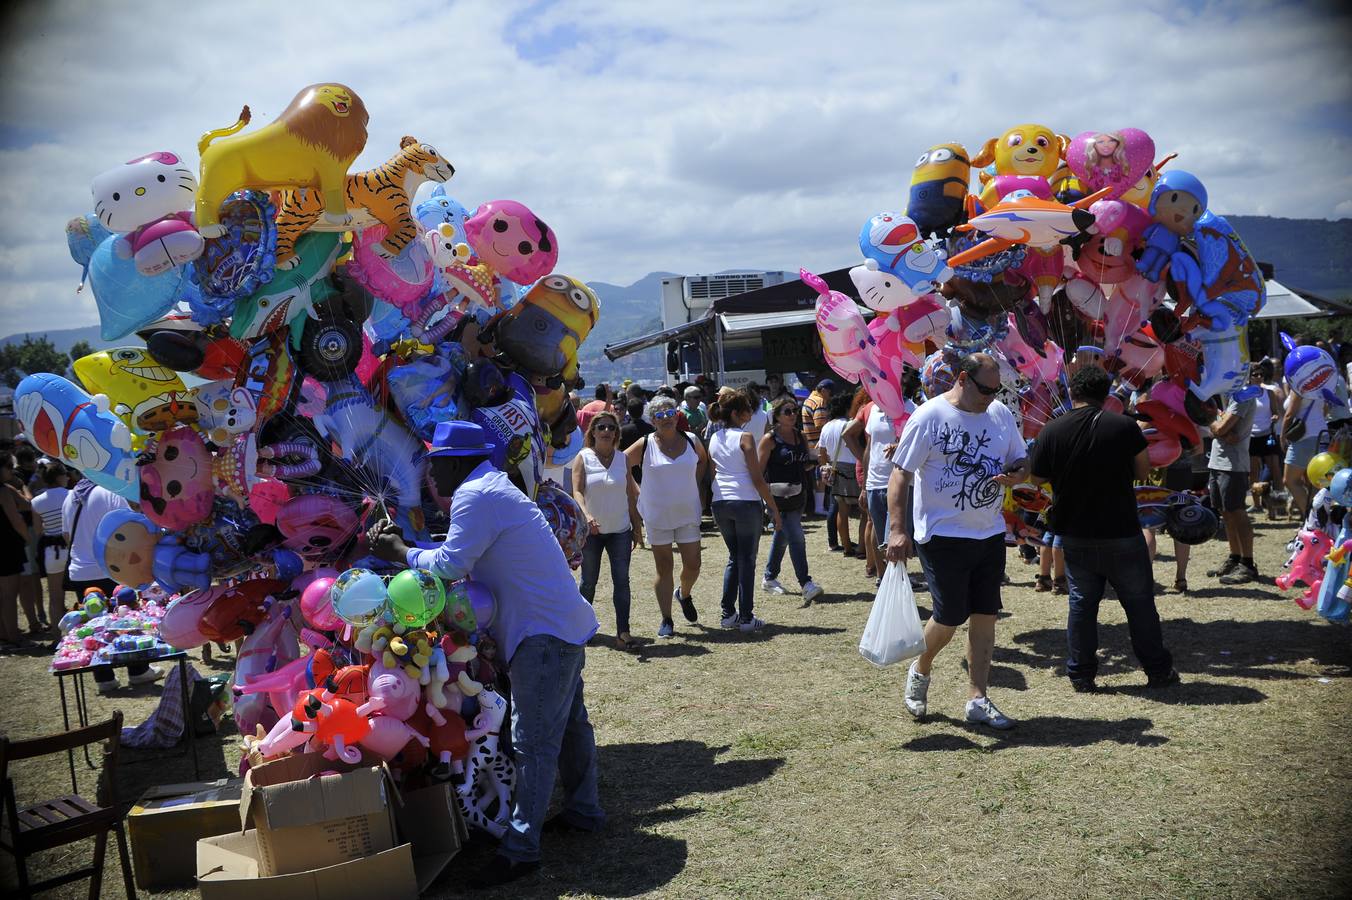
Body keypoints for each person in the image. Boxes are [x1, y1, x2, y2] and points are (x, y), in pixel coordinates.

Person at [368, 421, 604, 887]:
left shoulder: (475, 495)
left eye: (436, 464)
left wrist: (400, 552)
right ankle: (584, 810)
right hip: (558, 626)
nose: (432, 474)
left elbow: (452, 565)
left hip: (543, 636)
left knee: (533, 742)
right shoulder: (490, 487)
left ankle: (521, 850)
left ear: (456, 461)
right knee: (571, 725)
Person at [886, 353, 1026, 729]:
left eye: (997, 390)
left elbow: (1021, 460)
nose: (991, 397)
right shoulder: (929, 416)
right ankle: (920, 669)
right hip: (942, 534)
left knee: (985, 615)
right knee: (949, 616)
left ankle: (977, 699)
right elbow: (900, 475)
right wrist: (898, 530)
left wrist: (1017, 474)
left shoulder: (1000, 415)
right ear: (962, 379)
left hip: (989, 531)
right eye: (985, 389)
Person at [1029, 365, 1177, 692]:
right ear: (1106, 394)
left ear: (1072, 393)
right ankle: (1158, 671)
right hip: (1121, 528)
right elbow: (1142, 471)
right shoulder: (1124, 426)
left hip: (1075, 532)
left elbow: (1036, 477)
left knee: (1082, 605)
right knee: (1139, 604)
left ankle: (1081, 675)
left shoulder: (1051, 430)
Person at [61, 479, 162, 691]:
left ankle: (104, 678)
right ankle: (138, 670)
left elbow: (66, 535)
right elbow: (128, 527)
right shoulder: (109, 491)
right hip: (110, 569)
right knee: (126, 619)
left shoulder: (71, 496)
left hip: (80, 571)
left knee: (93, 625)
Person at [625, 395, 706, 638]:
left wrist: (697, 484)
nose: (666, 419)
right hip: (657, 514)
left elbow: (703, 461)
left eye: (670, 413)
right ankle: (667, 619)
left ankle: (684, 593)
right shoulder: (646, 443)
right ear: (653, 420)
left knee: (693, 564)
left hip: (687, 512)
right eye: (659, 415)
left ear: (677, 414)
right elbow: (622, 465)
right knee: (664, 567)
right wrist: (635, 490)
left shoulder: (692, 440)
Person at [708, 393, 781, 632]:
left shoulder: (714, 437)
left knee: (734, 557)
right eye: (747, 410)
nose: (751, 414)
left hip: (720, 501)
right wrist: (773, 507)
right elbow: (757, 478)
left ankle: (728, 613)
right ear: (736, 414)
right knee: (747, 559)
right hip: (745, 501)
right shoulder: (746, 437)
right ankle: (747, 617)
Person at [573, 411, 642, 650]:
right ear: (592, 431)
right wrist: (586, 515)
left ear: (616, 433)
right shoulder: (583, 457)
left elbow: (630, 495)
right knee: (588, 582)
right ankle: (583, 627)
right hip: (591, 533)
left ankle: (623, 631)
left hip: (620, 530)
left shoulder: (623, 459)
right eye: (601, 427)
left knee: (622, 581)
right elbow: (577, 491)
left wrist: (636, 526)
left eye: (611, 428)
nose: (606, 431)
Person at [758, 396, 823, 603]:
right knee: (796, 536)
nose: (793, 414)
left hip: (797, 495)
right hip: (776, 498)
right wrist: (765, 502)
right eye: (787, 411)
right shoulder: (769, 439)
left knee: (783, 536)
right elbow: (759, 472)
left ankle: (769, 577)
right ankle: (806, 583)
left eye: (795, 410)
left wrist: (817, 461)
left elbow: (803, 465)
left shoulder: (799, 436)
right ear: (777, 416)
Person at [1207, 389, 1259, 584]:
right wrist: (1218, 426)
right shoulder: (1226, 395)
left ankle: (1248, 565)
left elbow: (1220, 429)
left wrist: (1210, 420)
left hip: (1233, 464)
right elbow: (1221, 430)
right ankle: (1235, 557)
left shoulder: (1244, 395)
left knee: (1237, 511)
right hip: (1217, 461)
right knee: (1225, 512)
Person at [817, 393, 862, 557]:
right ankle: (862, 547)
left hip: (836, 469)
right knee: (864, 511)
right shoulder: (850, 424)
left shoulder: (826, 426)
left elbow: (821, 452)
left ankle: (847, 547)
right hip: (853, 468)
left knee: (841, 510)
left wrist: (824, 468)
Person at [31, 464, 71, 631]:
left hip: (51, 552)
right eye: (65, 475)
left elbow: (38, 530)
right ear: (59, 477)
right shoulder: (71, 495)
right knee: (82, 593)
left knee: (55, 597)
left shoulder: (36, 501)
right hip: (71, 548)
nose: (68, 477)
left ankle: (56, 637)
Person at [1281, 384, 1327, 522]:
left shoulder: (1300, 386)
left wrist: (1282, 436)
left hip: (1304, 438)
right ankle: (1319, 521)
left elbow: (1289, 415)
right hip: (1322, 434)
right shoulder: (1320, 385)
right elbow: (1325, 409)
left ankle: (1311, 520)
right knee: (1316, 482)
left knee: (1290, 480)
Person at [1247, 361, 1284, 483]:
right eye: (1255, 375)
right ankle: (1257, 502)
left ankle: (1280, 497)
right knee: (1253, 471)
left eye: (1261, 375)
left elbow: (1275, 412)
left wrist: (1275, 417)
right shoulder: (1244, 394)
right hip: (1251, 437)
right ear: (1249, 377)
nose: (1259, 377)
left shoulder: (1269, 392)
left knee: (1274, 467)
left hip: (1268, 434)